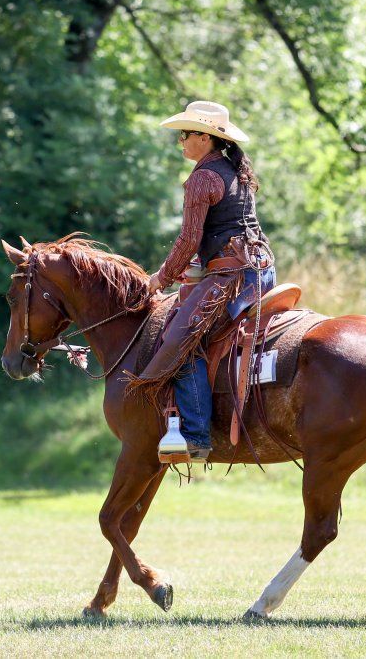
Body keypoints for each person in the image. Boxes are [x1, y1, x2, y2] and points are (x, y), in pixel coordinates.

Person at [125, 100, 275, 461]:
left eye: (184, 135)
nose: (180, 142)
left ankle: (194, 437)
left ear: (204, 138)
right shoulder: (233, 169)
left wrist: (160, 279)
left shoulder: (202, 178)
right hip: (261, 271)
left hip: (230, 277)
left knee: (180, 340)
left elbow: (188, 240)